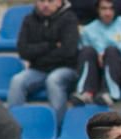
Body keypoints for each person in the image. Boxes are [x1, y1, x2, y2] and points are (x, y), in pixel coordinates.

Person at [9, 0, 80, 128]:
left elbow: (68, 52)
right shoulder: (29, 20)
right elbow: (23, 51)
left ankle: (56, 127)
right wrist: (51, 45)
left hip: (66, 68)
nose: (45, 5)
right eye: (42, 1)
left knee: (53, 80)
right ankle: (13, 127)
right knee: (17, 81)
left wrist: (38, 56)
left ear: (59, 2)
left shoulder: (70, 19)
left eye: (50, 1)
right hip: (38, 70)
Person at [72, 0, 121, 106]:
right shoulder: (88, 29)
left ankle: (110, 93)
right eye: (104, 8)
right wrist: (100, 55)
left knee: (111, 51)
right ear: (98, 10)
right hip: (97, 71)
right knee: (87, 51)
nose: (107, 13)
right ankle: (85, 92)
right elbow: (84, 57)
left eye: (111, 8)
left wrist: (107, 56)